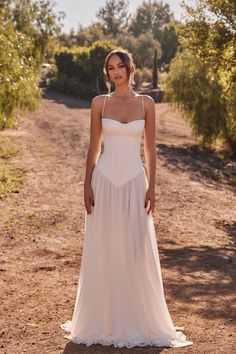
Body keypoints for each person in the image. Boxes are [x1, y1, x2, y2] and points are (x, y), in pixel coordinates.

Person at [60, 48, 193, 348]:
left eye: (120, 66)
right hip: (104, 182)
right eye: (110, 68)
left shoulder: (146, 103)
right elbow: (94, 147)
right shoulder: (99, 103)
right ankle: (103, 319)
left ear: (131, 68)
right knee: (104, 247)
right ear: (107, 73)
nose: (116, 72)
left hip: (135, 183)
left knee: (136, 249)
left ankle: (138, 318)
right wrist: (87, 185)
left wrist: (152, 187)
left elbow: (150, 150)